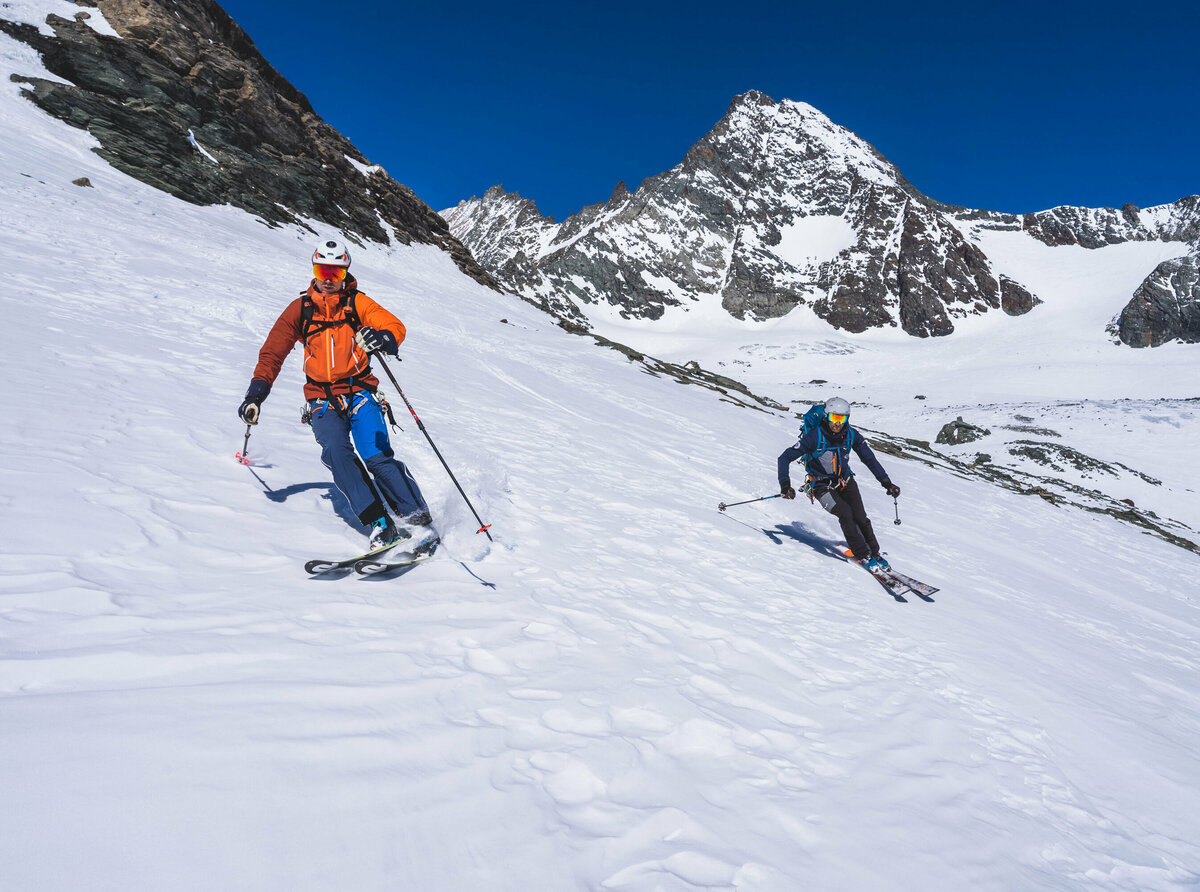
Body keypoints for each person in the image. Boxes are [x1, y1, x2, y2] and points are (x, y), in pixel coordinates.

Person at [238, 239, 431, 549]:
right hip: (321, 398)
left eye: (336, 272)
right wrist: (256, 393)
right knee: (337, 453)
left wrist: (383, 337)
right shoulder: (300, 310)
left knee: (377, 456)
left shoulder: (357, 303)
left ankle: (418, 518)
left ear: (345, 274)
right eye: (322, 270)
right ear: (314, 270)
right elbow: (273, 352)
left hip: (360, 392)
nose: (328, 278)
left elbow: (393, 325)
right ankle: (379, 523)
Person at [778, 397, 901, 571]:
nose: (837, 423)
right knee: (845, 514)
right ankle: (862, 555)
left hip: (846, 480)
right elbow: (784, 458)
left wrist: (886, 483)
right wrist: (785, 484)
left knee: (861, 517)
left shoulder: (851, 435)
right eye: (834, 418)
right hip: (821, 486)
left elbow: (869, 458)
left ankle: (874, 553)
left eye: (842, 419)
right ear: (827, 416)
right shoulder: (814, 437)